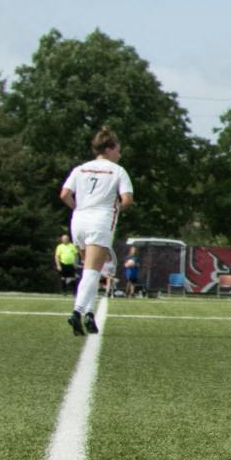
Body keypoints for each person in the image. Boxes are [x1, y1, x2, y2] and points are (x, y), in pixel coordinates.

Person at [59, 128, 134, 335]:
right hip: (100, 221)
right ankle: (77, 311)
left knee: (89, 270)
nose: (119, 155)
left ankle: (90, 315)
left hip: (79, 221)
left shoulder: (80, 169)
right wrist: (115, 208)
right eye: (118, 150)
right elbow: (127, 200)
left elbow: (64, 194)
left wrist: (79, 208)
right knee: (92, 271)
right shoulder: (118, 171)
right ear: (109, 149)